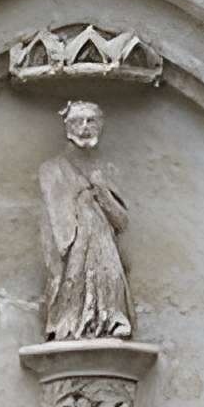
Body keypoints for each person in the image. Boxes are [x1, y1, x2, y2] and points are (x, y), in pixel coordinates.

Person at [38, 98, 134, 341]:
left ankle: (111, 319)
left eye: (91, 121)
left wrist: (101, 191)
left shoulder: (107, 169)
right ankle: (69, 322)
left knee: (108, 278)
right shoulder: (52, 168)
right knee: (74, 281)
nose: (84, 127)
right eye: (77, 122)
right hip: (74, 246)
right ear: (67, 127)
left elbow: (121, 221)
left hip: (104, 243)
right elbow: (54, 219)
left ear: (100, 126)